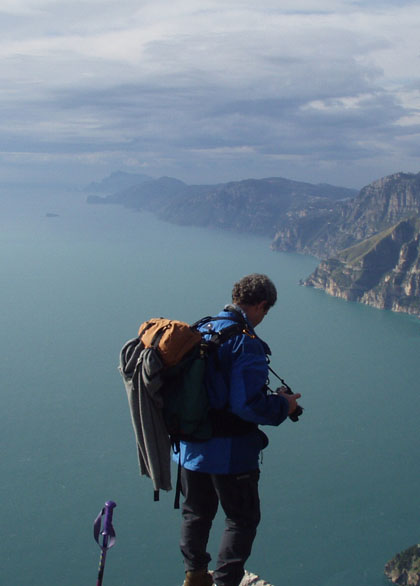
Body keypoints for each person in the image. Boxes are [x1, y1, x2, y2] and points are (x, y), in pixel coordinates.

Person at [178, 274, 302, 586]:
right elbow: (248, 406)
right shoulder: (245, 343)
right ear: (261, 305)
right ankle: (225, 582)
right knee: (242, 519)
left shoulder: (200, 329)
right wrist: (283, 406)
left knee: (196, 514)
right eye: (266, 311)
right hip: (230, 453)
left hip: (190, 449)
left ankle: (194, 576)